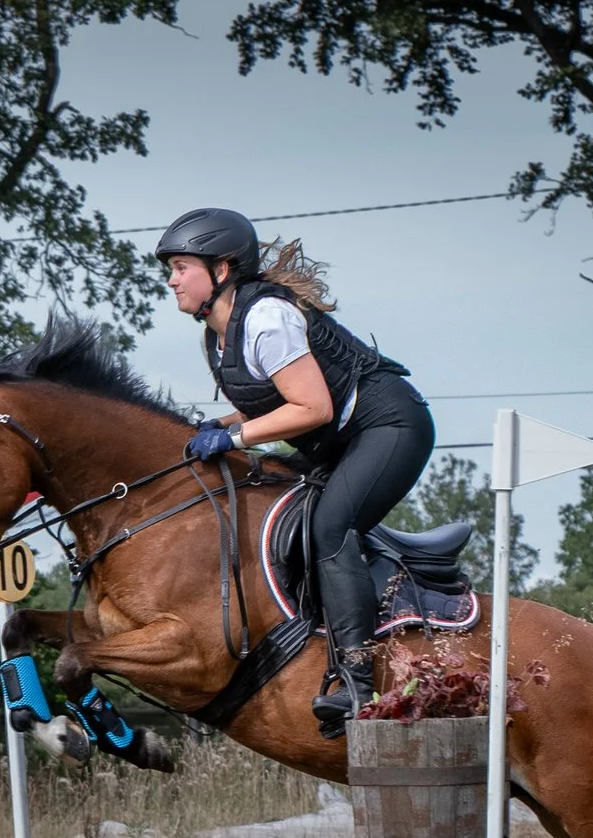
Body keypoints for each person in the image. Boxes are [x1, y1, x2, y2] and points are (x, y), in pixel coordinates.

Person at [154, 207, 435, 736]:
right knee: (269, 494)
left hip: (391, 426)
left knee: (332, 526)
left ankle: (358, 679)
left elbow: (312, 408)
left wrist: (233, 437)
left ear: (221, 269)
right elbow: (268, 399)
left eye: (180, 266)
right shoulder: (217, 335)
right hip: (342, 438)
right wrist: (218, 422)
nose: (171, 279)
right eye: (170, 268)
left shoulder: (265, 317)